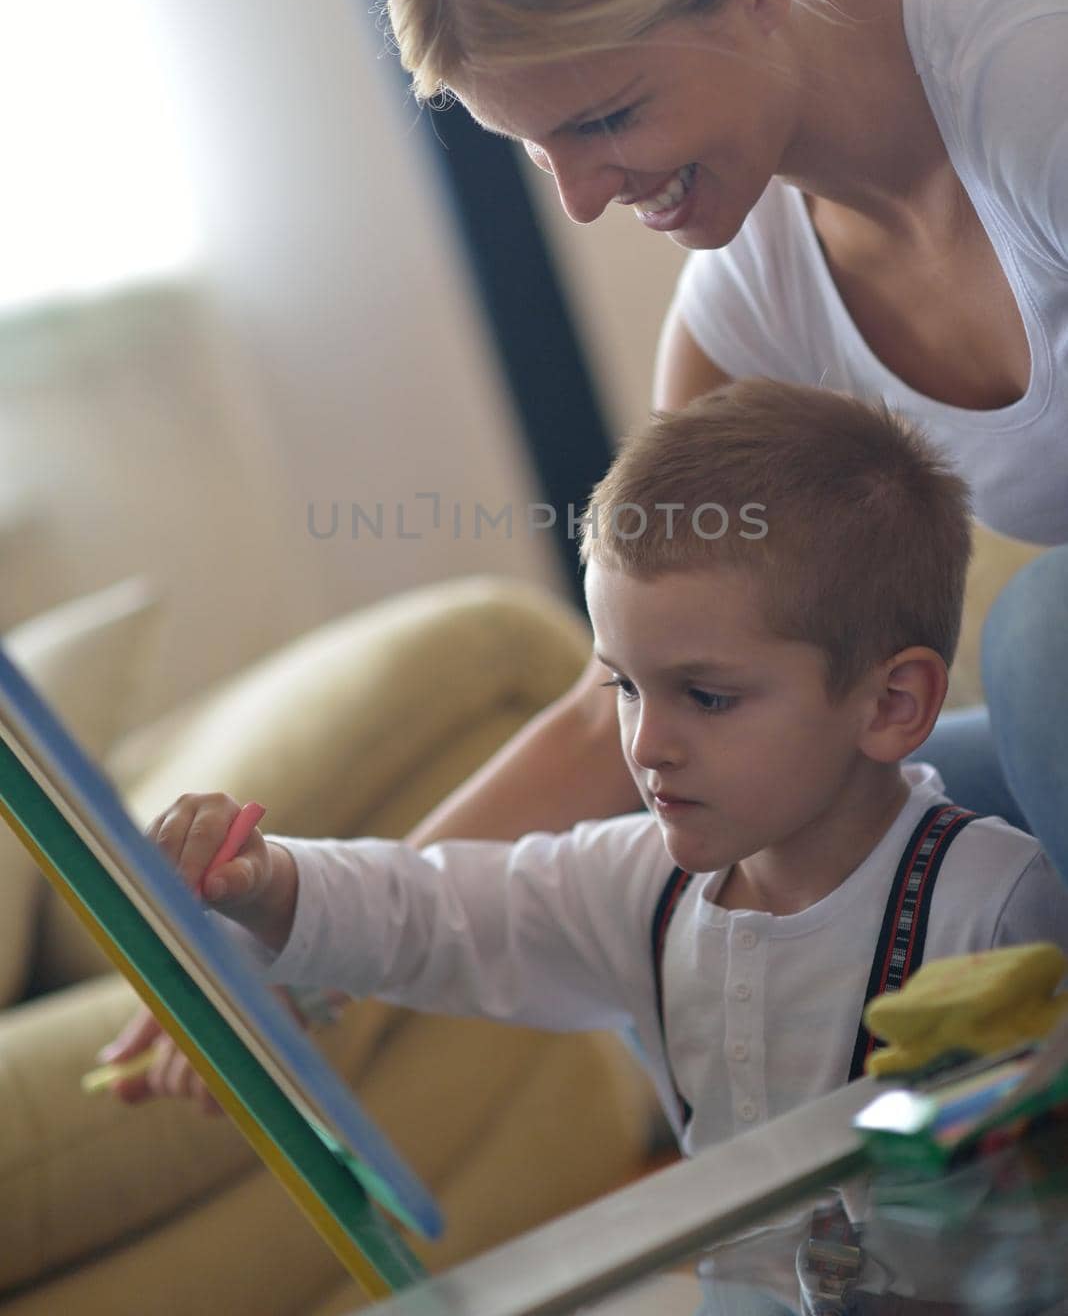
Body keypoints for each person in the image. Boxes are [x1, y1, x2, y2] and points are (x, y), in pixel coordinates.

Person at [381, 0, 1068, 876]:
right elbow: (634, 700)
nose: (587, 198)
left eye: (606, 119)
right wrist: (303, 940)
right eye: (544, 150)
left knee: (1044, 641)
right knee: (696, 853)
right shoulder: (750, 306)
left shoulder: (1033, 91)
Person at [126, 382, 1068, 1149]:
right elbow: (432, 910)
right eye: (622, 685)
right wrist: (263, 881)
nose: (645, 744)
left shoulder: (1001, 901)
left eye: (706, 696)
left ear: (891, 704)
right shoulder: (635, 884)